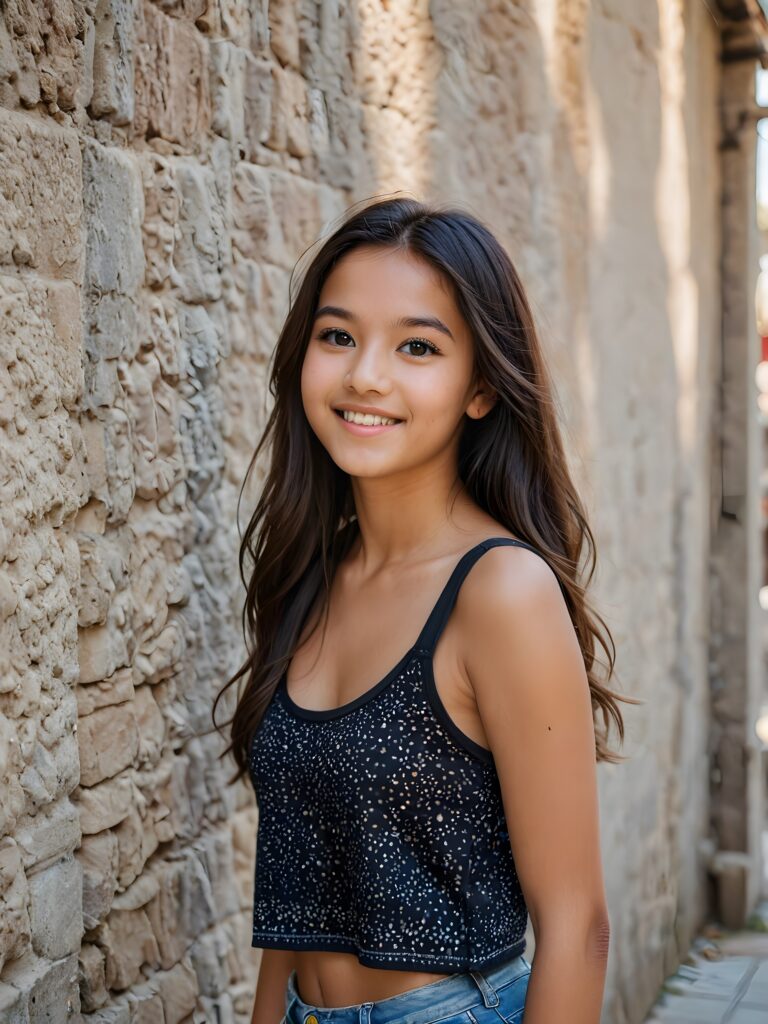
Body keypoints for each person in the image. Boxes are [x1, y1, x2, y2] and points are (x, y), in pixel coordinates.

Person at [214, 196, 636, 1024]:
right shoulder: (311, 576)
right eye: (338, 336)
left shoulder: (501, 593)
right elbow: (296, 892)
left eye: (416, 346)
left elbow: (577, 926)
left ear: (481, 387)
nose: (366, 374)